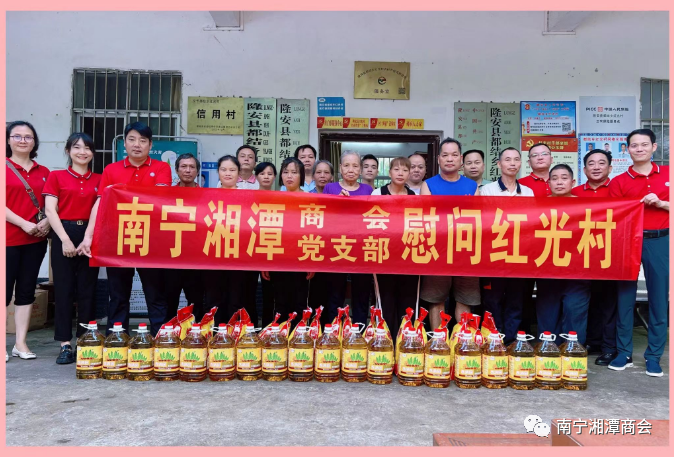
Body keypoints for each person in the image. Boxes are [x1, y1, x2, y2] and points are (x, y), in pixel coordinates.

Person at [78, 122, 171, 336]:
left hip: (151, 240)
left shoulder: (161, 168)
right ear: (125, 143)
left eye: (142, 140)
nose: (137, 144)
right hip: (118, 239)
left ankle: (160, 339)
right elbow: (101, 203)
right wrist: (88, 236)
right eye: (132, 139)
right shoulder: (111, 170)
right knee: (118, 294)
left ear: (150, 145)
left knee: (155, 293)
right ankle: (117, 338)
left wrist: (123, 193)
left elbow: (160, 199)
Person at [608, 128, 669, 377]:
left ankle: (653, 356)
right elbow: (612, 216)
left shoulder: (668, 174)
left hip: (661, 240)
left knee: (659, 299)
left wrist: (662, 203)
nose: (639, 149)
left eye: (644, 144)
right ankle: (624, 352)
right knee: (624, 298)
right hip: (628, 242)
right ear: (628, 150)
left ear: (654, 147)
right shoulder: (619, 182)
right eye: (634, 145)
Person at [43, 133, 101, 364]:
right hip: (63, 232)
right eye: (77, 147)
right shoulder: (56, 176)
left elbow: (100, 209)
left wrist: (88, 237)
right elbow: (50, 210)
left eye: (87, 148)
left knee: (88, 291)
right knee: (64, 291)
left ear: (93, 153)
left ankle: (84, 341)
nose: (82, 152)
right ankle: (65, 344)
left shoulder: (99, 179)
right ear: (68, 150)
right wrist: (65, 240)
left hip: (90, 235)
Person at [420, 138, 480, 328]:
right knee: (436, 300)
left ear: (461, 159)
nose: (449, 159)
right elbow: (425, 218)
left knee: (465, 299)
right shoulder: (428, 185)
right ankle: (438, 341)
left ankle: (462, 340)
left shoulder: (472, 186)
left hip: (465, 250)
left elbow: (478, 219)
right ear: (438, 159)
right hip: (437, 250)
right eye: (445, 155)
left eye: (454, 155)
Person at [5, 121, 50, 361]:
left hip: (35, 241)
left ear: (34, 142)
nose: (23, 140)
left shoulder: (44, 172)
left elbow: (52, 203)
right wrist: (23, 223)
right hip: (7, 240)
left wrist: (48, 222)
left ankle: (20, 343)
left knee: (26, 291)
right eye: (17, 136)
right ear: (8, 140)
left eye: (28, 137)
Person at [479, 148, 534, 344]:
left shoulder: (527, 192)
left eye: (516, 160)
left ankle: (510, 340)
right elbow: (483, 221)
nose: (512, 163)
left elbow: (531, 223)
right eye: (508, 159)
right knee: (492, 299)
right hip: (493, 253)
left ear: (521, 164)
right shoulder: (487, 190)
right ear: (499, 164)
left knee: (515, 299)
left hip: (518, 254)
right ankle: (494, 339)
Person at [535, 164, 591, 344]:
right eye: (555, 178)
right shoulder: (538, 206)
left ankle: (572, 353)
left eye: (564, 178)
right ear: (549, 183)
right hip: (547, 269)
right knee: (547, 314)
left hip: (577, 270)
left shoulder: (586, 207)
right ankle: (547, 353)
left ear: (573, 182)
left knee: (575, 312)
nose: (559, 182)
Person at [571, 149, 617, 365]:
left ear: (610, 167)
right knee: (584, 302)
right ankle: (591, 341)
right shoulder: (574, 193)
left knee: (607, 303)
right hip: (580, 257)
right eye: (591, 163)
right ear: (584, 169)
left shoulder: (618, 191)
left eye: (601, 163)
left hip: (609, 255)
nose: (596, 167)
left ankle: (609, 347)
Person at [203, 155, 255, 325]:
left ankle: (233, 334)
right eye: (223, 169)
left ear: (239, 173)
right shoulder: (207, 196)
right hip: (214, 255)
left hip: (238, 256)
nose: (227, 173)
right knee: (213, 300)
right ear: (218, 172)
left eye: (232, 170)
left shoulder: (247, 197)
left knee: (236, 299)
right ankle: (215, 334)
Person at [323, 151, 374, 325]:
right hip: (337, 247)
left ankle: (359, 331)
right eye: (346, 165)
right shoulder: (330, 188)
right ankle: (333, 330)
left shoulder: (368, 190)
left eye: (355, 166)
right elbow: (324, 217)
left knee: (361, 294)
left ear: (360, 169)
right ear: (340, 168)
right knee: (335, 293)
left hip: (361, 248)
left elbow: (372, 218)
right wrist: (336, 204)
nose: (350, 170)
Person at [261, 158, 315, 317]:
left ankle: (298, 333)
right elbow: (268, 231)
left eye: (294, 172)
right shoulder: (274, 199)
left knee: (300, 303)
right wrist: (265, 261)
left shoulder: (310, 199)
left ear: (301, 175)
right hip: (279, 259)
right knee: (280, 303)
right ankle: (281, 333)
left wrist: (312, 261)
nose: (289, 176)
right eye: (285, 172)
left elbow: (314, 233)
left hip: (301, 259)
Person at [371, 157, 418, 337]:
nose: (400, 173)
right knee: (386, 301)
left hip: (409, 258)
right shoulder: (377, 194)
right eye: (396, 169)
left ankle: (406, 342)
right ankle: (385, 341)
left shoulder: (415, 197)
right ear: (389, 172)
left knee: (408, 302)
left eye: (405, 170)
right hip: (383, 256)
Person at [163, 154, 205, 322]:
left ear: (197, 171)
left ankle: (195, 334)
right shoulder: (166, 195)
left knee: (196, 302)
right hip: (171, 257)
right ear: (176, 170)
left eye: (192, 167)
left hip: (196, 258)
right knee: (169, 300)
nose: (188, 170)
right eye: (183, 166)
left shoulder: (207, 196)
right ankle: (169, 334)